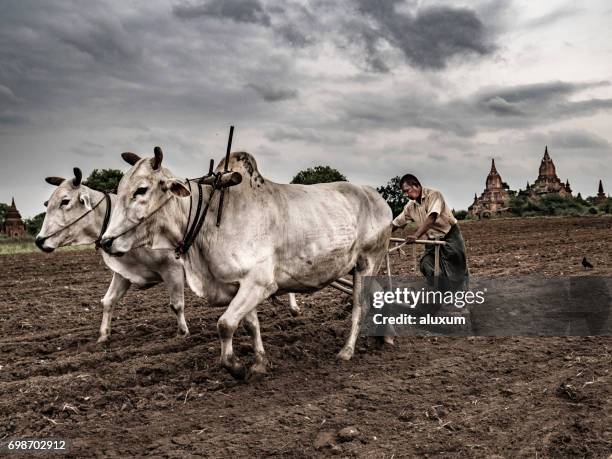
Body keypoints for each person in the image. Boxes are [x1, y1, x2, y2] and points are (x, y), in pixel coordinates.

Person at [391, 174, 468, 291]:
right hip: (431, 239)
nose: (406, 195)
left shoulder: (434, 195)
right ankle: (442, 292)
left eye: (407, 191)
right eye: (404, 192)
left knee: (456, 266)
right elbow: (396, 223)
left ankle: (461, 297)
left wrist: (416, 236)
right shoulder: (410, 207)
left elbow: (432, 217)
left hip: (449, 235)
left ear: (416, 185)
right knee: (426, 264)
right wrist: (382, 236)